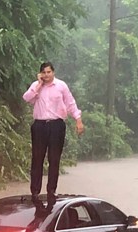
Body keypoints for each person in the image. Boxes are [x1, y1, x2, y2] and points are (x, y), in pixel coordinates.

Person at [22, 61, 84, 206]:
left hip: (56, 125)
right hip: (39, 125)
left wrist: (78, 120)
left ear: (53, 72)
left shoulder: (61, 86)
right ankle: (35, 191)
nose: (46, 75)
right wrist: (38, 85)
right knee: (37, 158)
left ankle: (51, 190)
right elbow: (26, 98)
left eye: (48, 72)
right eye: (43, 72)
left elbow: (70, 103)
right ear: (40, 74)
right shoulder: (36, 86)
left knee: (54, 159)